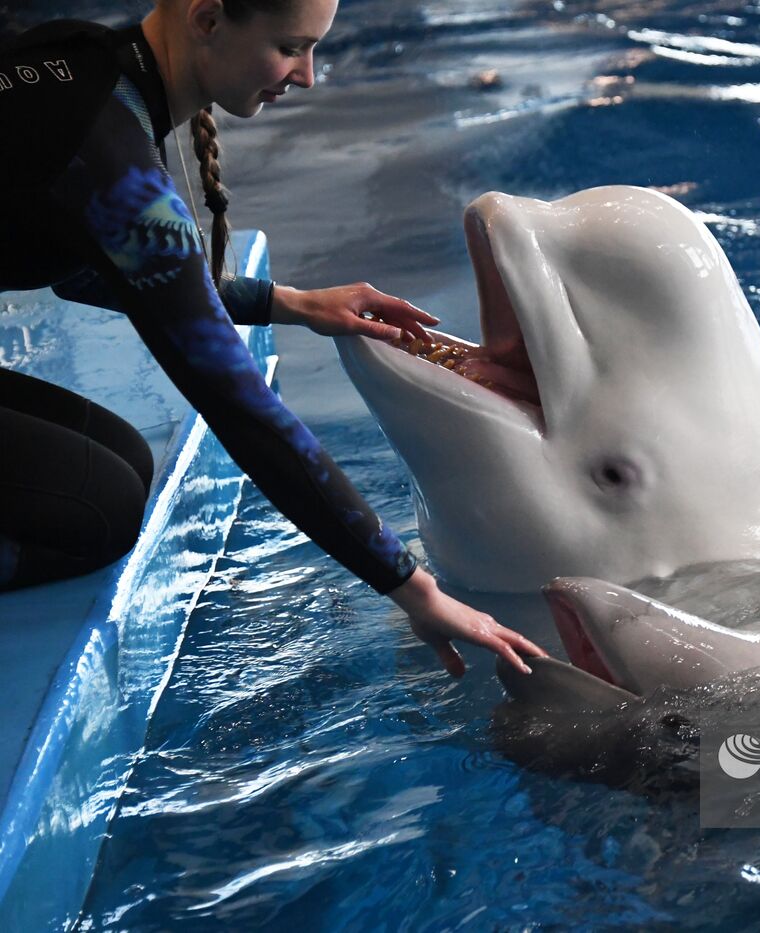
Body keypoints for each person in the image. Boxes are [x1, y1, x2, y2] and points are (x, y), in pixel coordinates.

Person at [0, 0, 546, 678]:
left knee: (122, 464)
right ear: (207, 20)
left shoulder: (85, 62)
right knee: (98, 511)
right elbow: (239, 406)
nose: (308, 75)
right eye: (290, 47)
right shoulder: (112, 156)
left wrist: (290, 304)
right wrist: (413, 587)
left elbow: (84, 269)